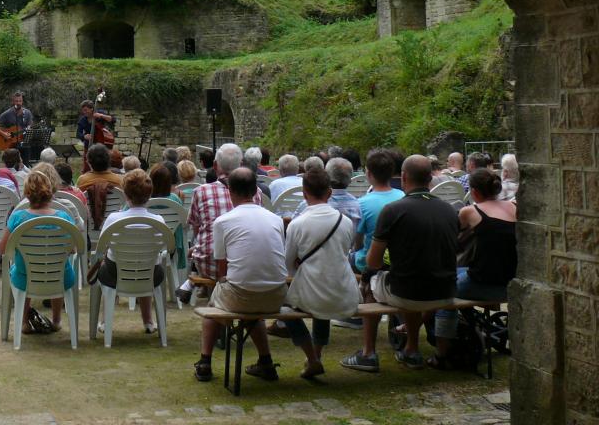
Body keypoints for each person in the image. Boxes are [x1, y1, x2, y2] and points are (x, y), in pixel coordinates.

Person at [342, 155, 458, 373]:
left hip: (410, 292)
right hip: (445, 291)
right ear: (431, 178)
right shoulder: (450, 210)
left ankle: (368, 353)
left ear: (403, 177)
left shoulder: (394, 210)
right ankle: (411, 350)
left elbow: (373, 261)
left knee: (372, 284)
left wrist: (368, 276)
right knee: (409, 279)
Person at [195, 167, 287, 382]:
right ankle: (265, 361)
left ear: (230, 191)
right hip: (277, 295)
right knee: (252, 303)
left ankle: (205, 361)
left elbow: (221, 269)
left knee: (213, 307)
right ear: (256, 190)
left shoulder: (224, 221)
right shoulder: (275, 219)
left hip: (244, 295)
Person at [430, 168, 516, 368]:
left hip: (483, 283)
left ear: (474, 192)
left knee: (444, 291)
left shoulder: (470, 211)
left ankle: (441, 353)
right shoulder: (514, 207)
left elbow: (451, 238)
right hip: (511, 281)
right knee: (458, 274)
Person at [280, 166, 359, 379]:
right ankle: (316, 354)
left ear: (304, 194)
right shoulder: (346, 222)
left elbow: (288, 264)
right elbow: (345, 251)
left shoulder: (297, 224)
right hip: (343, 290)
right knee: (321, 294)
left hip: (314, 290)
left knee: (285, 309)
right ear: (330, 192)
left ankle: (312, 357)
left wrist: (300, 264)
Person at [0, 169, 76, 334]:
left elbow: (3, 249)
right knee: (60, 266)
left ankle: (25, 322)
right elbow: (73, 249)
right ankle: (56, 320)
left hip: (25, 277)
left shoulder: (18, 217)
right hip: (60, 276)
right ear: (50, 192)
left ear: (27, 194)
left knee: (20, 268)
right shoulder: (65, 217)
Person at [96, 169, 163, 333]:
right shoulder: (158, 220)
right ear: (149, 195)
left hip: (115, 273)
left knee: (108, 265)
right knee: (146, 263)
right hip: (150, 272)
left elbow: (101, 247)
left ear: (125, 194)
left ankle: (105, 321)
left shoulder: (113, 219)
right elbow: (164, 248)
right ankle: (148, 321)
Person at [187, 144, 263, 287]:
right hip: (247, 264)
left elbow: (197, 231)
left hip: (210, 265)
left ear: (215, 166)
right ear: (241, 165)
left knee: (199, 246)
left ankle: (192, 287)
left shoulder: (200, 191)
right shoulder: (256, 191)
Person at [352, 148, 405, 274]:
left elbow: (357, 241)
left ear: (369, 174)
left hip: (370, 263)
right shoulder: (403, 195)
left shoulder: (362, 203)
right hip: (397, 260)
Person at [0, 91, 33, 163]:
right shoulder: (8, 113)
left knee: (26, 158)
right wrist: (3, 134)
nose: (18, 103)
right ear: (13, 102)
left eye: (20, 101)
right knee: (12, 164)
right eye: (16, 101)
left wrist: (29, 128)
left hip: (23, 143)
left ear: (22, 102)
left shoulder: (27, 113)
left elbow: (30, 125)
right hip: (11, 144)